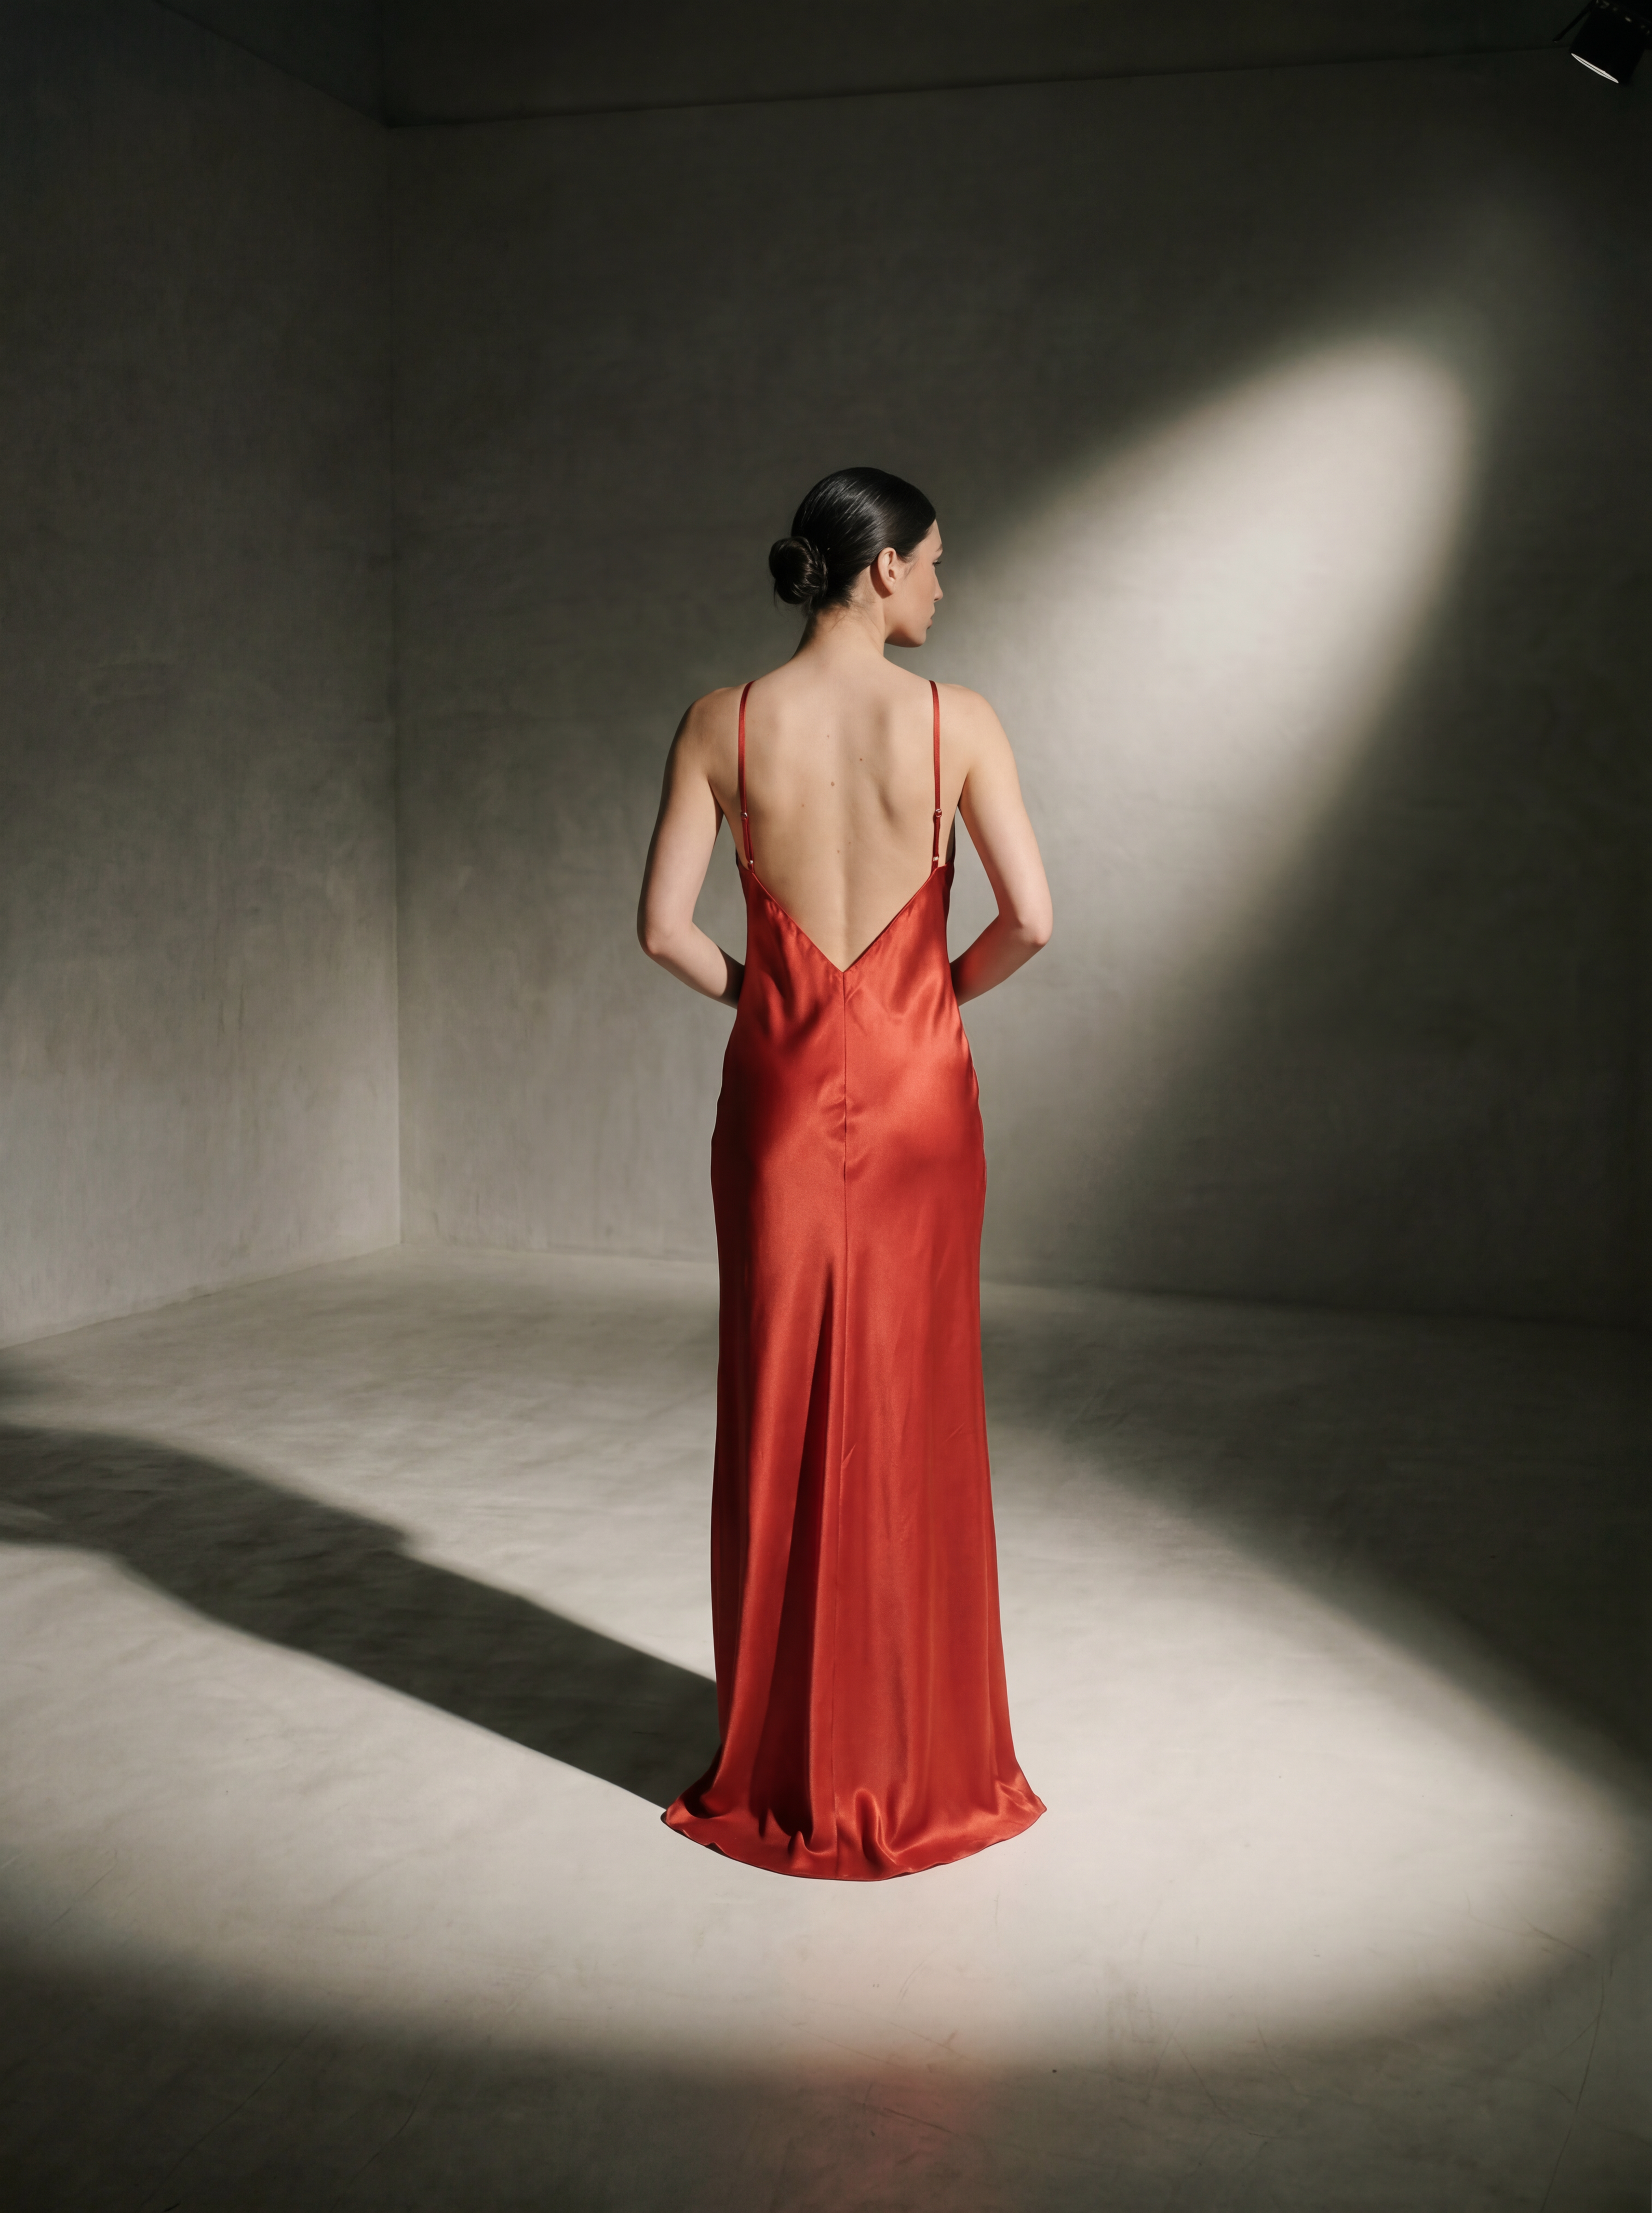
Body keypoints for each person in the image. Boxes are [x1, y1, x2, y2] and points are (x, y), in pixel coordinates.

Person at [637, 467, 1052, 1879]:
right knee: (918, 1398)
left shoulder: (721, 723)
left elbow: (659, 932)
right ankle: (925, 1759)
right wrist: (928, 1001)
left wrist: (772, 992)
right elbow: (1034, 924)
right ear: (878, 571)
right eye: (934, 562)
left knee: (780, 1403)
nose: (942, 585)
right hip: (924, 1090)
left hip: (779, 1089)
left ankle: (780, 1759)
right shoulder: (959, 722)